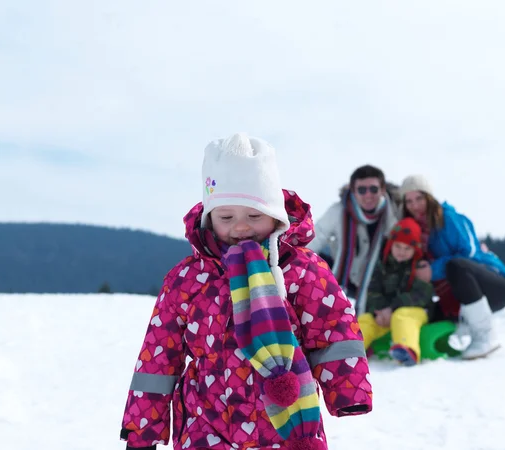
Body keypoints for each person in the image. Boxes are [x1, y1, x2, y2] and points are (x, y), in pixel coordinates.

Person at [120, 133, 373, 450]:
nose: (240, 228)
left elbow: (333, 330)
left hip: (283, 422)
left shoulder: (302, 271)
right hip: (204, 421)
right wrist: (142, 428)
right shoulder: (188, 279)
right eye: (226, 217)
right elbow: (158, 356)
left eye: (254, 216)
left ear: (276, 215)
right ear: (209, 219)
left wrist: (348, 389)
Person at [399, 175, 505, 360]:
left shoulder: (448, 218)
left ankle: (485, 336)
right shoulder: (416, 231)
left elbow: (470, 254)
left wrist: (432, 270)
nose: (414, 205)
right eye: (409, 201)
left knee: (456, 266)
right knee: (429, 313)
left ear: (429, 197)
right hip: (460, 296)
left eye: (419, 198)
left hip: (495, 286)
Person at [307, 165, 399, 317]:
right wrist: (291, 261)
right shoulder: (338, 211)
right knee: (314, 262)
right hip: (345, 274)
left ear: (383, 190)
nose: (368, 195)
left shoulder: (392, 213)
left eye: (374, 189)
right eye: (362, 190)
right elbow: (315, 238)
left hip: (375, 280)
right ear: (353, 191)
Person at [357, 218, 435, 366]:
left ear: (415, 250)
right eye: (398, 246)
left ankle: (407, 350)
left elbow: (422, 295)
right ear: (390, 245)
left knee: (401, 316)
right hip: (385, 313)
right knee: (366, 319)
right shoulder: (382, 266)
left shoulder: (419, 267)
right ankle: (354, 348)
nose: (402, 252)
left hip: (416, 312)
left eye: (407, 249)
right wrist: (379, 311)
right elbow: (373, 292)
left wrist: (392, 309)